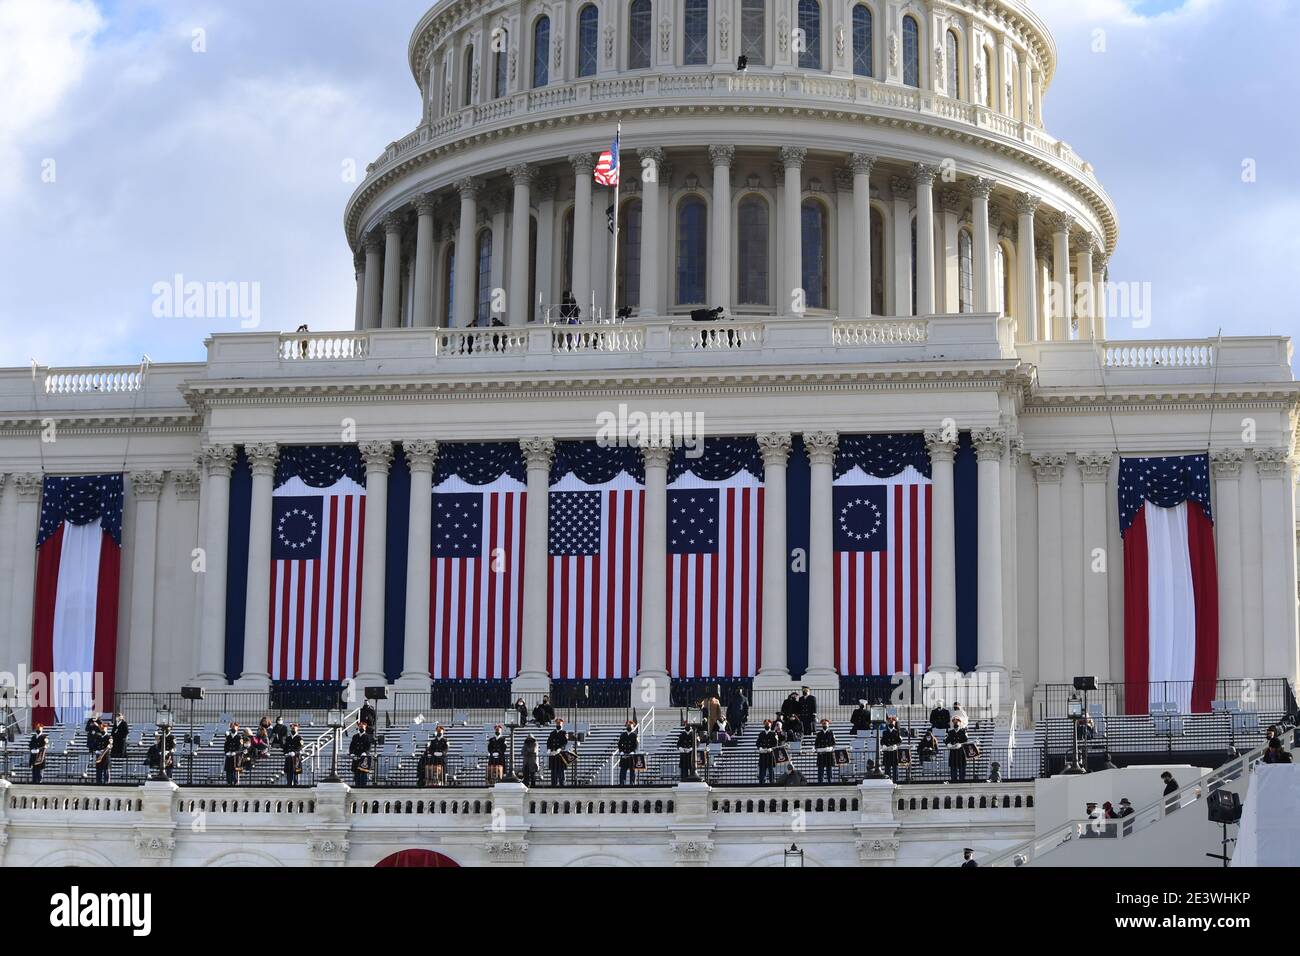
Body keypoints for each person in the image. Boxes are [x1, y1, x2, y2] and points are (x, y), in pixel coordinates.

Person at [880, 714, 905, 783]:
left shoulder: (897, 732)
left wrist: (896, 745)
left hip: (894, 752)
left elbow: (899, 741)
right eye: (890, 722)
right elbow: (882, 741)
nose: (891, 724)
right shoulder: (884, 732)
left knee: (895, 767)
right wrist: (884, 745)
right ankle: (887, 780)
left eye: (892, 722)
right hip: (887, 751)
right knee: (887, 767)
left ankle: (895, 780)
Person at [944, 717, 969, 783]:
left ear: (960, 723)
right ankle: (953, 780)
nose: (955, 723)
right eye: (954, 722)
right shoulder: (950, 732)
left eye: (957, 722)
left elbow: (966, 741)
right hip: (953, 751)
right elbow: (946, 740)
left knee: (962, 765)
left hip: (961, 751)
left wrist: (961, 744)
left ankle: (962, 779)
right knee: (953, 766)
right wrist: (948, 744)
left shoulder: (963, 731)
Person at [350, 721, 375, 787]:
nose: (361, 728)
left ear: (365, 728)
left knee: (363, 772)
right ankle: (357, 785)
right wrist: (351, 753)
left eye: (362, 727)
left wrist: (365, 753)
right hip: (356, 756)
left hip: (364, 757)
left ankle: (363, 786)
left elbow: (368, 746)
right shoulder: (355, 736)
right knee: (356, 772)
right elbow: (352, 745)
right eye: (360, 727)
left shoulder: (367, 736)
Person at [547, 719, 570, 787]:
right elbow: (549, 741)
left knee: (561, 770)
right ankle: (553, 783)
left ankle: (562, 783)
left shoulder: (564, 733)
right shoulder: (552, 733)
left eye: (559, 724)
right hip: (553, 753)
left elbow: (565, 742)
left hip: (560, 754)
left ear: (561, 725)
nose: (558, 725)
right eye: (557, 724)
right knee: (553, 769)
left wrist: (559, 749)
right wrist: (549, 749)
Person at [814, 718, 837, 785]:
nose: (824, 725)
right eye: (823, 724)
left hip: (829, 753)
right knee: (820, 769)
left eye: (826, 724)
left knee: (829, 768)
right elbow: (816, 744)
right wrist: (817, 749)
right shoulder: (819, 734)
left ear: (828, 725)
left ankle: (830, 781)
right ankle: (820, 782)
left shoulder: (831, 733)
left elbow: (834, 743)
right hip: (821, 754)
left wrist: (830, 748)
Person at [756, 719, 779, 785]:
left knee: (770, 769)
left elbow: (775, 744)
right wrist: (760, 748)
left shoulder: (773, 733)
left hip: (770, 754)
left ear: (770, 725)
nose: (767, 726)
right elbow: (758, 743)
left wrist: (771, 749)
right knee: (762, 768)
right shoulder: (761, 734)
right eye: (766, 725)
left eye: (768, 725)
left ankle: (772, 782)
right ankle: (761, 782)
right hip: (763, 754)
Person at [617, 720, 639, 786]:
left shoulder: (635, 735)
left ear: (633, 727)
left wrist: (633, 751)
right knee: (623, 770)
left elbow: (636, 745)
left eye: (630, 725)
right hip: (624, 755)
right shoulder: (623, 735)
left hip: (631, 755)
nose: (629, 726)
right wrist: (621, 751)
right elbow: (619, 744)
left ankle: (632, 783)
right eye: (628, 725)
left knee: (632, 770)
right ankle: (622, 783)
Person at [91, 719, 111, 784]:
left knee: (106, 769)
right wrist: (96, 750)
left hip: (105, 755)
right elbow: (95, 744)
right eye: (102, 729)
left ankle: (106, 781)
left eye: (104, 729)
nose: (103, 730)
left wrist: (102, 752)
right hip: (98, 754)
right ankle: (98, 781)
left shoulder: (109, 737)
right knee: (98, 768)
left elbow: (109, 746)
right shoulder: (98, 736)